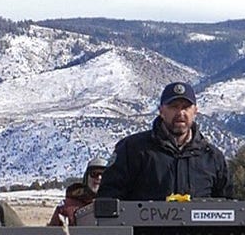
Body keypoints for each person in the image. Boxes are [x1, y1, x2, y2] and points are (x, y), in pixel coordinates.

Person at [97, 83, 231, 200]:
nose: (180, 113)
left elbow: (228, 206)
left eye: (186, 107)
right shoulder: (132, 149)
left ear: (195, 111)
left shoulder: (212, 157)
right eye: (173, 106)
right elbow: (109, 197)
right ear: (161, 111)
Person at [49, 156, 106, 226]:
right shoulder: (66, 207)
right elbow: (51, 234)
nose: (99, 178)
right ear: (86, 178)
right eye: (94, 174)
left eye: (104, 174)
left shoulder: (118, 205)